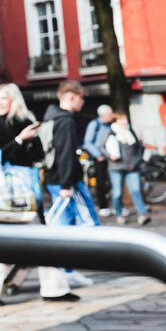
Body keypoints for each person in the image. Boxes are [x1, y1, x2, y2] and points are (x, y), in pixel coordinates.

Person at [0, 83, 74, 303]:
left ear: (14, 100)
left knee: (42, 239)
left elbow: (38, 155)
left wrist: (33, 140)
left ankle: (55, 289)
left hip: (27, 189)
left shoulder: (25, 120)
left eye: (4, 98)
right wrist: (20, 139)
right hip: (5, 192)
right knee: (2, 244)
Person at [41, 80, 100, 227]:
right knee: (89, 222)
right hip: (67, 180)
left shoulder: (51, 118)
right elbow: (65, 152)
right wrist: (66, 184)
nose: (83, 101)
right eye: (81, 97)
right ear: (71, 97)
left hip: (54, 177)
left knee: (65, 221)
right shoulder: (66, 121)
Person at [104, 113, 149, 226]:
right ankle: (119, 214)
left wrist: (138, 159)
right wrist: (109, 156)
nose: (125, 122)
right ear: (116, 121)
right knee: (117, 193)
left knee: (136, 190)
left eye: (126, 119)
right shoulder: (110, 132)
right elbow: (101, 146)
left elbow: (137, 147)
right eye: (122, 120)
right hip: (116, 167)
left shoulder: (130, 131)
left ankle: (142, 214)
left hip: (132, 167)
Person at [81, 104, 115, 215]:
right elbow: (88, 142)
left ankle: (115, 205)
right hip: (100, 158)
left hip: (112, 157)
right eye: (110, 114)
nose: (112, 115)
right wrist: (98, 155)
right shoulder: (94, 124)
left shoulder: (112, 124)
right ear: (103, 115)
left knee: (113, 181)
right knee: (101, 182)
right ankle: (103, 206)